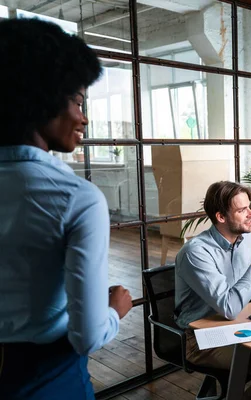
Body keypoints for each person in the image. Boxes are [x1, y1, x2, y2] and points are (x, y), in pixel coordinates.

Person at [0, 18, 132, 399]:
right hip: (47, 377)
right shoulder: (76, 197)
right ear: (43, 100)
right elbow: (88, 336)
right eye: (77, 100)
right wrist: (115, 310)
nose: (83, 116)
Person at [175, 181, 251, 399]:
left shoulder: (246, 239)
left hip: (241, 323)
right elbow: (229, 308)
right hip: (202, 337)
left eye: (249, 207)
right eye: (242, 210)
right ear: (221, 217)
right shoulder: (196, 253)